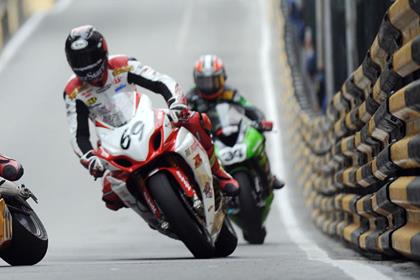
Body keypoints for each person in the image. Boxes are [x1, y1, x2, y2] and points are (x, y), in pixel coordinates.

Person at [63, 25, 239, 211]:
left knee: (196, 120)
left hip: (142, 118)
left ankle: (218, 172)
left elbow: (161, 81)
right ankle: (152, 210)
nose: (87, 65)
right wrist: (90, 158)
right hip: (111, 140)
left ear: (102, 51)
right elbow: (77, 133)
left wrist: (176, 104)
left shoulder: (123, 64)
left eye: (90, 57)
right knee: (110, 195)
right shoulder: (73, 91)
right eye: (80, 60)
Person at [186, 54, 284, 190]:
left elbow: (248, 107)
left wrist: (260, 121)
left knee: (257, 139)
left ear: (223, 78)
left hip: (232, 129)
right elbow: (184, 120)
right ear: (196, 81)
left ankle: (268, 176)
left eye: (214, 80)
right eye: (205, 82)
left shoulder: (229, 92)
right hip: (209, 138)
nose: (210, 86)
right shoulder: (191, 98)